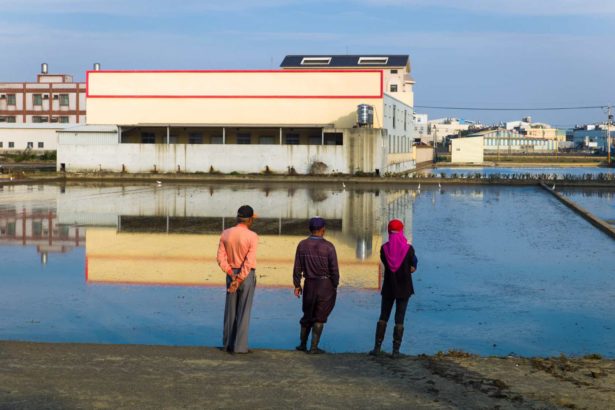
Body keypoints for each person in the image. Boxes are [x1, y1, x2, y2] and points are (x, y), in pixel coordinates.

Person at [369, 219, 417, 358]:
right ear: (401, 231)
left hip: (389, 287)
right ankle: (395, 351)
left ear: (389, 231)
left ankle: (377, 349)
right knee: (399, 318)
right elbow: (413, 263)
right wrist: (412, 267)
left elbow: (386, 262)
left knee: (383, 316)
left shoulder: (384, 249)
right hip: (404, 288)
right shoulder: (409, 249)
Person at [292, 217, 339, 354]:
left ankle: (302, 344)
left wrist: (297, 285)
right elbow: (334, 270)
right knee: (320, 316)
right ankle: (314, 347)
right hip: (325, 285)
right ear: (323, 230)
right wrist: (335, 285)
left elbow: (297, 268)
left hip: (309, 284)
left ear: (310, 229)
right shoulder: (329, 247)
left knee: (307, 314)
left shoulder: (302, 245)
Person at [216, 205, 258, 354]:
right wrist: (239, 279)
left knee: (230, 310)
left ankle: (228, 344)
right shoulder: (252, 236)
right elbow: (249, 261)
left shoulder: (226, 233)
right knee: (244, 311)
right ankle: (240, 347)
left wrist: (231, 274)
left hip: (231, 274)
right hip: (245, 276)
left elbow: (221, 258)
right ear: (249, 220)